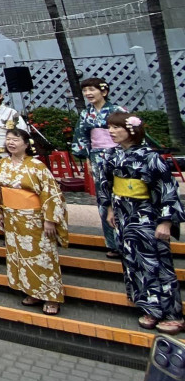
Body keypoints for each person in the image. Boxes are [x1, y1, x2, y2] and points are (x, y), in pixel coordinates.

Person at [97, 112, 185, 334]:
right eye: (110, 128)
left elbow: (167, 189)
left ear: (132, 131)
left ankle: (172, 313)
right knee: (132, 262)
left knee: (158, 263)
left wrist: (165, 221)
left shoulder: (150, 157)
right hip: (123, 215)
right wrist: (109, 208)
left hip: (146, 215)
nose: (112, 131)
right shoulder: (110, 155)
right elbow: (106, 184)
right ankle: (149, 308)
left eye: (117, 128)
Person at [0, 128, 68, 315]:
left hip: (34, 218)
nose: (11, 143)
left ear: (26, 144)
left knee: (41, 255)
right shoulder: (1, 164)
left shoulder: (36, 166)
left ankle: (51, 295)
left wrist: (50, 219)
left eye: (15, 139)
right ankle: (32, 291)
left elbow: (51, 193)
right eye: (8, 139)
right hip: (12, 217)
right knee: (19, 256)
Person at [71, 77, 127, 258]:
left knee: (122, 196)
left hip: (119, 156)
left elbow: (129, 134)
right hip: (97, 157)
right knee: (104, 199)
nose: (88, 94)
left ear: (104, 91)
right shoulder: (85, 114)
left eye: (92, 90)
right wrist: (87, 156)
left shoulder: (117, 111)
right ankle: (112, 243)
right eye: (85, 90)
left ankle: (127, 239)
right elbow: (82, 136)